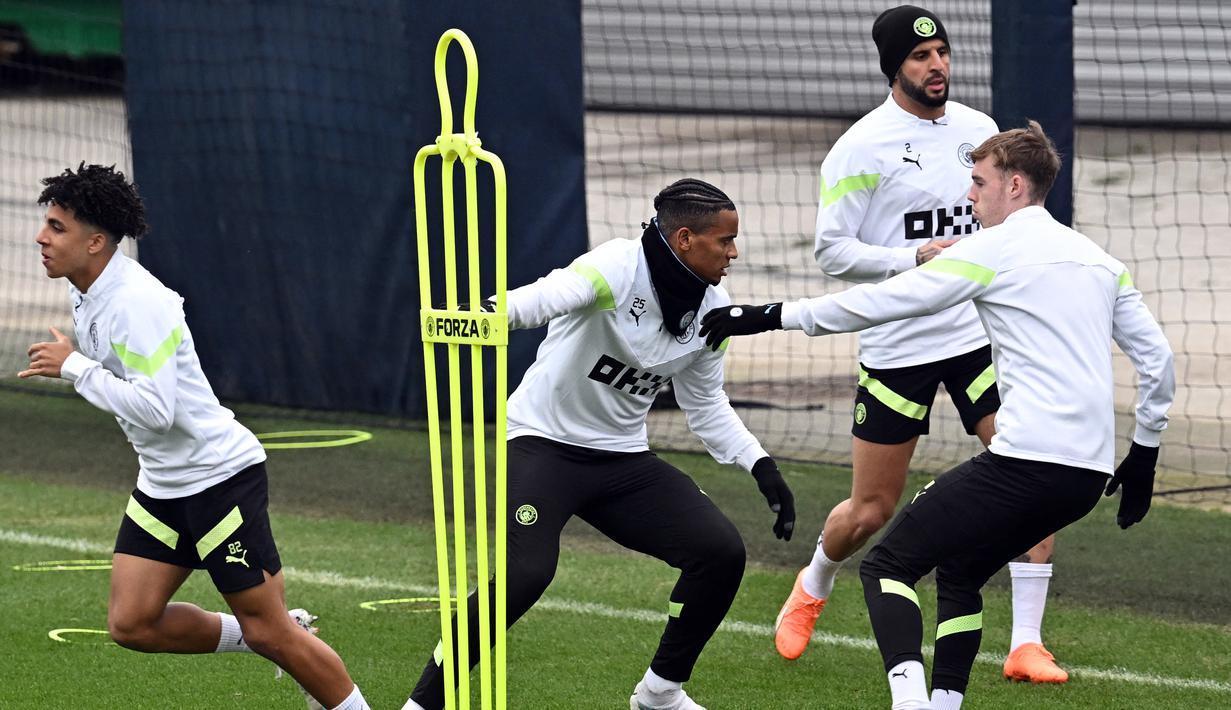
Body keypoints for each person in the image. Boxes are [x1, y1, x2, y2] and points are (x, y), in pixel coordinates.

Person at [699, 121, 1174, 709]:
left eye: (978, 183)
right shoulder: (1101, 261)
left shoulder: (990, 251)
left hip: (1022, 465)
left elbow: (881, 301)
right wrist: (1146, 452)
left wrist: (768, 315)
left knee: (887, 567)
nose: (968, 196)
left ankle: (910, 702)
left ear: (1016, 186)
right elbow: (1158, 360)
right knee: (960, 573)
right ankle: (946, 701)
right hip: (1085, 478)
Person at [400, 179, 796, 710]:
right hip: (542, 445)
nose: (734, 252)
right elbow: (541, 299)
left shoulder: (714, 310)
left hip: (623, 460)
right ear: (684, 239)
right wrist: (482, 314)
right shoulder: (617, 265)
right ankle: (422, 704)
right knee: (526, 573)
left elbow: (705, 404)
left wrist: (760, 463)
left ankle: (660, 693)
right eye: (724, 241)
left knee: (720, 553)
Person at [771, 4, 1067, 684]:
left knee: (1030, 466)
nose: (936, 66)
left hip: (974, 335)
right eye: (918, 57)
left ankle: (1026, 642)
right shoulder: (860, 147)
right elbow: (829, 251)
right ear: (893, 66)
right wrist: (913, 257)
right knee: (871, 509)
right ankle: (813, 583)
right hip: (897, 345)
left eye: (941, 54)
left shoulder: (978, 130)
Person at [19, 163, 369, 710]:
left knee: (270, 632)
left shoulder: (137, 303)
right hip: (163, 484)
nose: (41, 237)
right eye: (46, 224)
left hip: (218, 480)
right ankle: (280, 633)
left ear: (95, 242)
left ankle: (292, 645)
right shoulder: (87, 290)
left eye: (57, 228)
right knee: (132, 623)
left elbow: (157, 411)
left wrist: (74, 368)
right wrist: (79, 365)